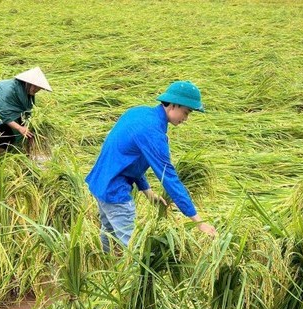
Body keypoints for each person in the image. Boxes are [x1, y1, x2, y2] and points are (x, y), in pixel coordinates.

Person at [85, 80, 217, 252]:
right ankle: (134, 278)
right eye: (186, 112)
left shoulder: (139, 113)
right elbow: (169, 178)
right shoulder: (152, 132)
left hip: (100, 183)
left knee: (109, 234)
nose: (186, 119)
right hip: (114, 190)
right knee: (135, 250)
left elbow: (131, 158)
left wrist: (148, 192)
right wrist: (198, 222)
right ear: (174, 105)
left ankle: (101, 263)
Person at [0, 67, 51, 152]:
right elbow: (3, 114)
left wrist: (26, 127)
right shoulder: (10, 91)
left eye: (39, 88)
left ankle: (22, 149)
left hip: (1, 108)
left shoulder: (28, 93)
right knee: (6, 137)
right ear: (28, 83)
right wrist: (19, 128)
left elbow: (25, 113)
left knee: (23, 132)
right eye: (35, 87)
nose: (36, 90)